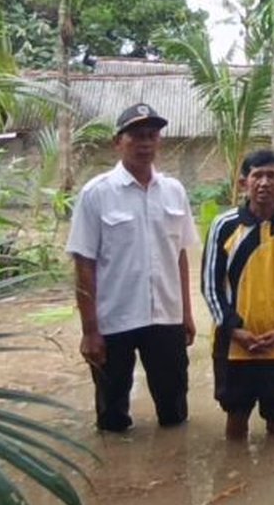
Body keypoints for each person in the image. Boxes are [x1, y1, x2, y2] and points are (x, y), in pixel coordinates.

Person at [67, 102, 198, 432]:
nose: (145, 143)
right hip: (114, 322)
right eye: (136, 135)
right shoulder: (96, 194)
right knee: (111, 420)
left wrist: (186, 313)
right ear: (118, 142)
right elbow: (84, 264)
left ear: (159, 141)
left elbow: (180, 255)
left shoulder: (174, 191)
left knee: (175, 415)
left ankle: (173, 472)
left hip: (166, 319)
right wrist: (89, 330)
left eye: (152, 135)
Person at [201, 149, 274, 440]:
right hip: (233, 345)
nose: (264, 182)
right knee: (236, 420)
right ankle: (236, 476)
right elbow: (210, 286)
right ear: (243, 183)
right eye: (256, 175)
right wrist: (234, 329)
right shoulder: (224, 226)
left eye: (271, 175)